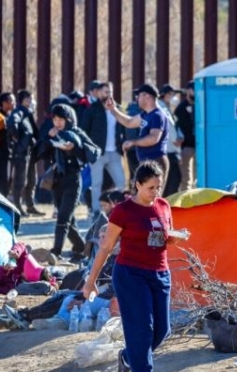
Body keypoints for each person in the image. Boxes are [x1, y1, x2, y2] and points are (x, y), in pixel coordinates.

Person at [83, 161, 190, 372]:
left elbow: (164, 237)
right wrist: (91, 281)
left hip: (160, 274)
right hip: (131, 274)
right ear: (137, 185)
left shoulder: (163, 206)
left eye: (158, 187)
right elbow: (105, 247)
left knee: (162, 330)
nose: (156, 192)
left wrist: (175, 239)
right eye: (151, 187)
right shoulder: (123, 211)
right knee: (142, 330)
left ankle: (128, 358)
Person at [37, 103, 101, 262]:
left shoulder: (76, 133)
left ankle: (56, 252)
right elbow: (41, 152)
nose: (58, 122)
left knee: (63, 217)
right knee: (69, 220)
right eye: (55, 119)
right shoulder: (52, 132)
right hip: (57, 181)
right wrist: (49, 139)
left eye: (61, 119)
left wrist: (73, 148)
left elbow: (93, 152)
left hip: (73, 180)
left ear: (68, 119)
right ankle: (80, 247)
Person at [106, 84, 170, 190]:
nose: (137, 98)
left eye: (139, 95)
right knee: (141, 197)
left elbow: (154, 138)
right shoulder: (146, 115)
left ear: (147, 96)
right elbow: (129, 122)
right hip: (146, 161)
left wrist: (133, 142)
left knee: (151, 198)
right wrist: (113, 110)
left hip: (156, 161)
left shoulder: (157, 115)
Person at [81, 82, 127, 213]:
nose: (108, 95)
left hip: (115, 153)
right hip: (98, 154)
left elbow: (124, 127)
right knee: (96, 184)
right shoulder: (92, 109)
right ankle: (96, 211)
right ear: (98, 93)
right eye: (105, 92)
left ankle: (120, 211)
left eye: (110, 92)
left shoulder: (117, 108)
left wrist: (123, 144)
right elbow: (84, 131)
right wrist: (88, 150)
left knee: (121, 183)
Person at [7, 90, 40, 217]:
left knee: (32, 179)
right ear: (23, 100)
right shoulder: (19, 112)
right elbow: (11, 124)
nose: (31, 102)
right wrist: (16, 138)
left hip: (30, 152)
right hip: (21, 153)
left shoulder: (28, 114)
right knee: (20, 181)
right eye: (29, 99)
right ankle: (17, 206)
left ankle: (30, 205)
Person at [159, 84, 183, 196]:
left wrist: (180, 137)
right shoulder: (161, 108)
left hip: (171, 149)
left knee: (174, 178)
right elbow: (169, 126)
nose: (173, 97)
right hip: (168, 149)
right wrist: (176, 139)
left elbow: (176, 124)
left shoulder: (168, 108)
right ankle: (167, 202)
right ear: (164, 95)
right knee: (172, 179)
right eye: (170, 94)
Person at [175, 81, 197, 191]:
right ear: (188, 91)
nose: (195, 92)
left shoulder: (201, 105)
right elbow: (176, 126)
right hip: (186, 147)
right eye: (193, 89)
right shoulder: (181, 108)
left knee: (198, 177)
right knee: (186, 178)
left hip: (200, 146)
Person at [0, 92, 16, 197]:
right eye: (11, 101)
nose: (13, 103)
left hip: (10, 151)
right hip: (1, 151)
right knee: (3, 177)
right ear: (4, 103)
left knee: (10, 178)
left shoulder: (11, 116)